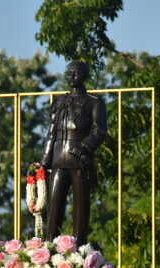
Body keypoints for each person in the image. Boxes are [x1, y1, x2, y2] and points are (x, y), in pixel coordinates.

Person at [41, 62, 107, 246]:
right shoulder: (59, 101)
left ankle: (80, 250)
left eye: (75, 73)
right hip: (58, 160)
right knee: (54, 208)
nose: (71, 77)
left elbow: (99, 130)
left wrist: (85, 146)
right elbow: (51, 132)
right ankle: (50, 248)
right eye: (68, 73)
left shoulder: (94, 102)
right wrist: (44, 161)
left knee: (81, 210)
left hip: (79, 161)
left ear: (84, 76)